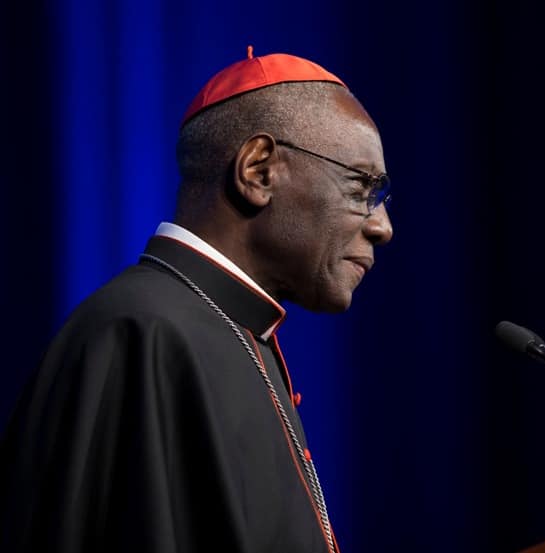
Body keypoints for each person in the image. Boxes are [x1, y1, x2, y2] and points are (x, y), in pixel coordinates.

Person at [0, 49, 393, 553]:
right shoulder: (143, 333)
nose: (382, 227)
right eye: (363, 187)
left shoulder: (232, 332)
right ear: (258, 171)